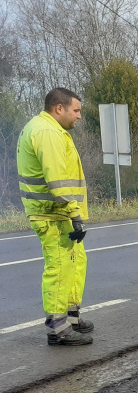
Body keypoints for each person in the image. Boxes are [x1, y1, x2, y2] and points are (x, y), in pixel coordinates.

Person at [17, 88, 93, 346]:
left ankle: (70, 316)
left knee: (74, 261)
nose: (79, 116)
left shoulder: (46, 128)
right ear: (58, 108)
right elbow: (57, 180)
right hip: (53, 214)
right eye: (76, 110)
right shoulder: (48, 133)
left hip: (56, 212)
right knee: (60, 267)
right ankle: (58, 329)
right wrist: (75, 214)